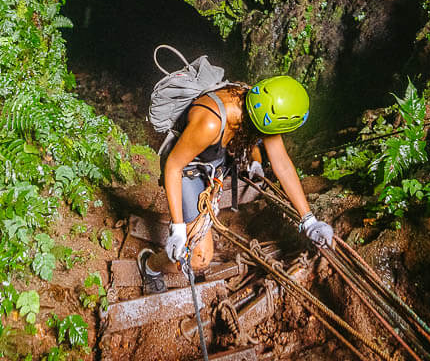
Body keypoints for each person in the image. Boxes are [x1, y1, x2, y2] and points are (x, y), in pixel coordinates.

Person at [139, 75, 334, 289]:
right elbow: (174, 167)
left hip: (213, 163)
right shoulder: (210, 122)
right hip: (187, 169)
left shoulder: (261, 107)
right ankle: (150, 265)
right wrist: (177, 229)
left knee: (198, 248)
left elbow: (283, 165)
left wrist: (309, 221)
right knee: (199, 259)